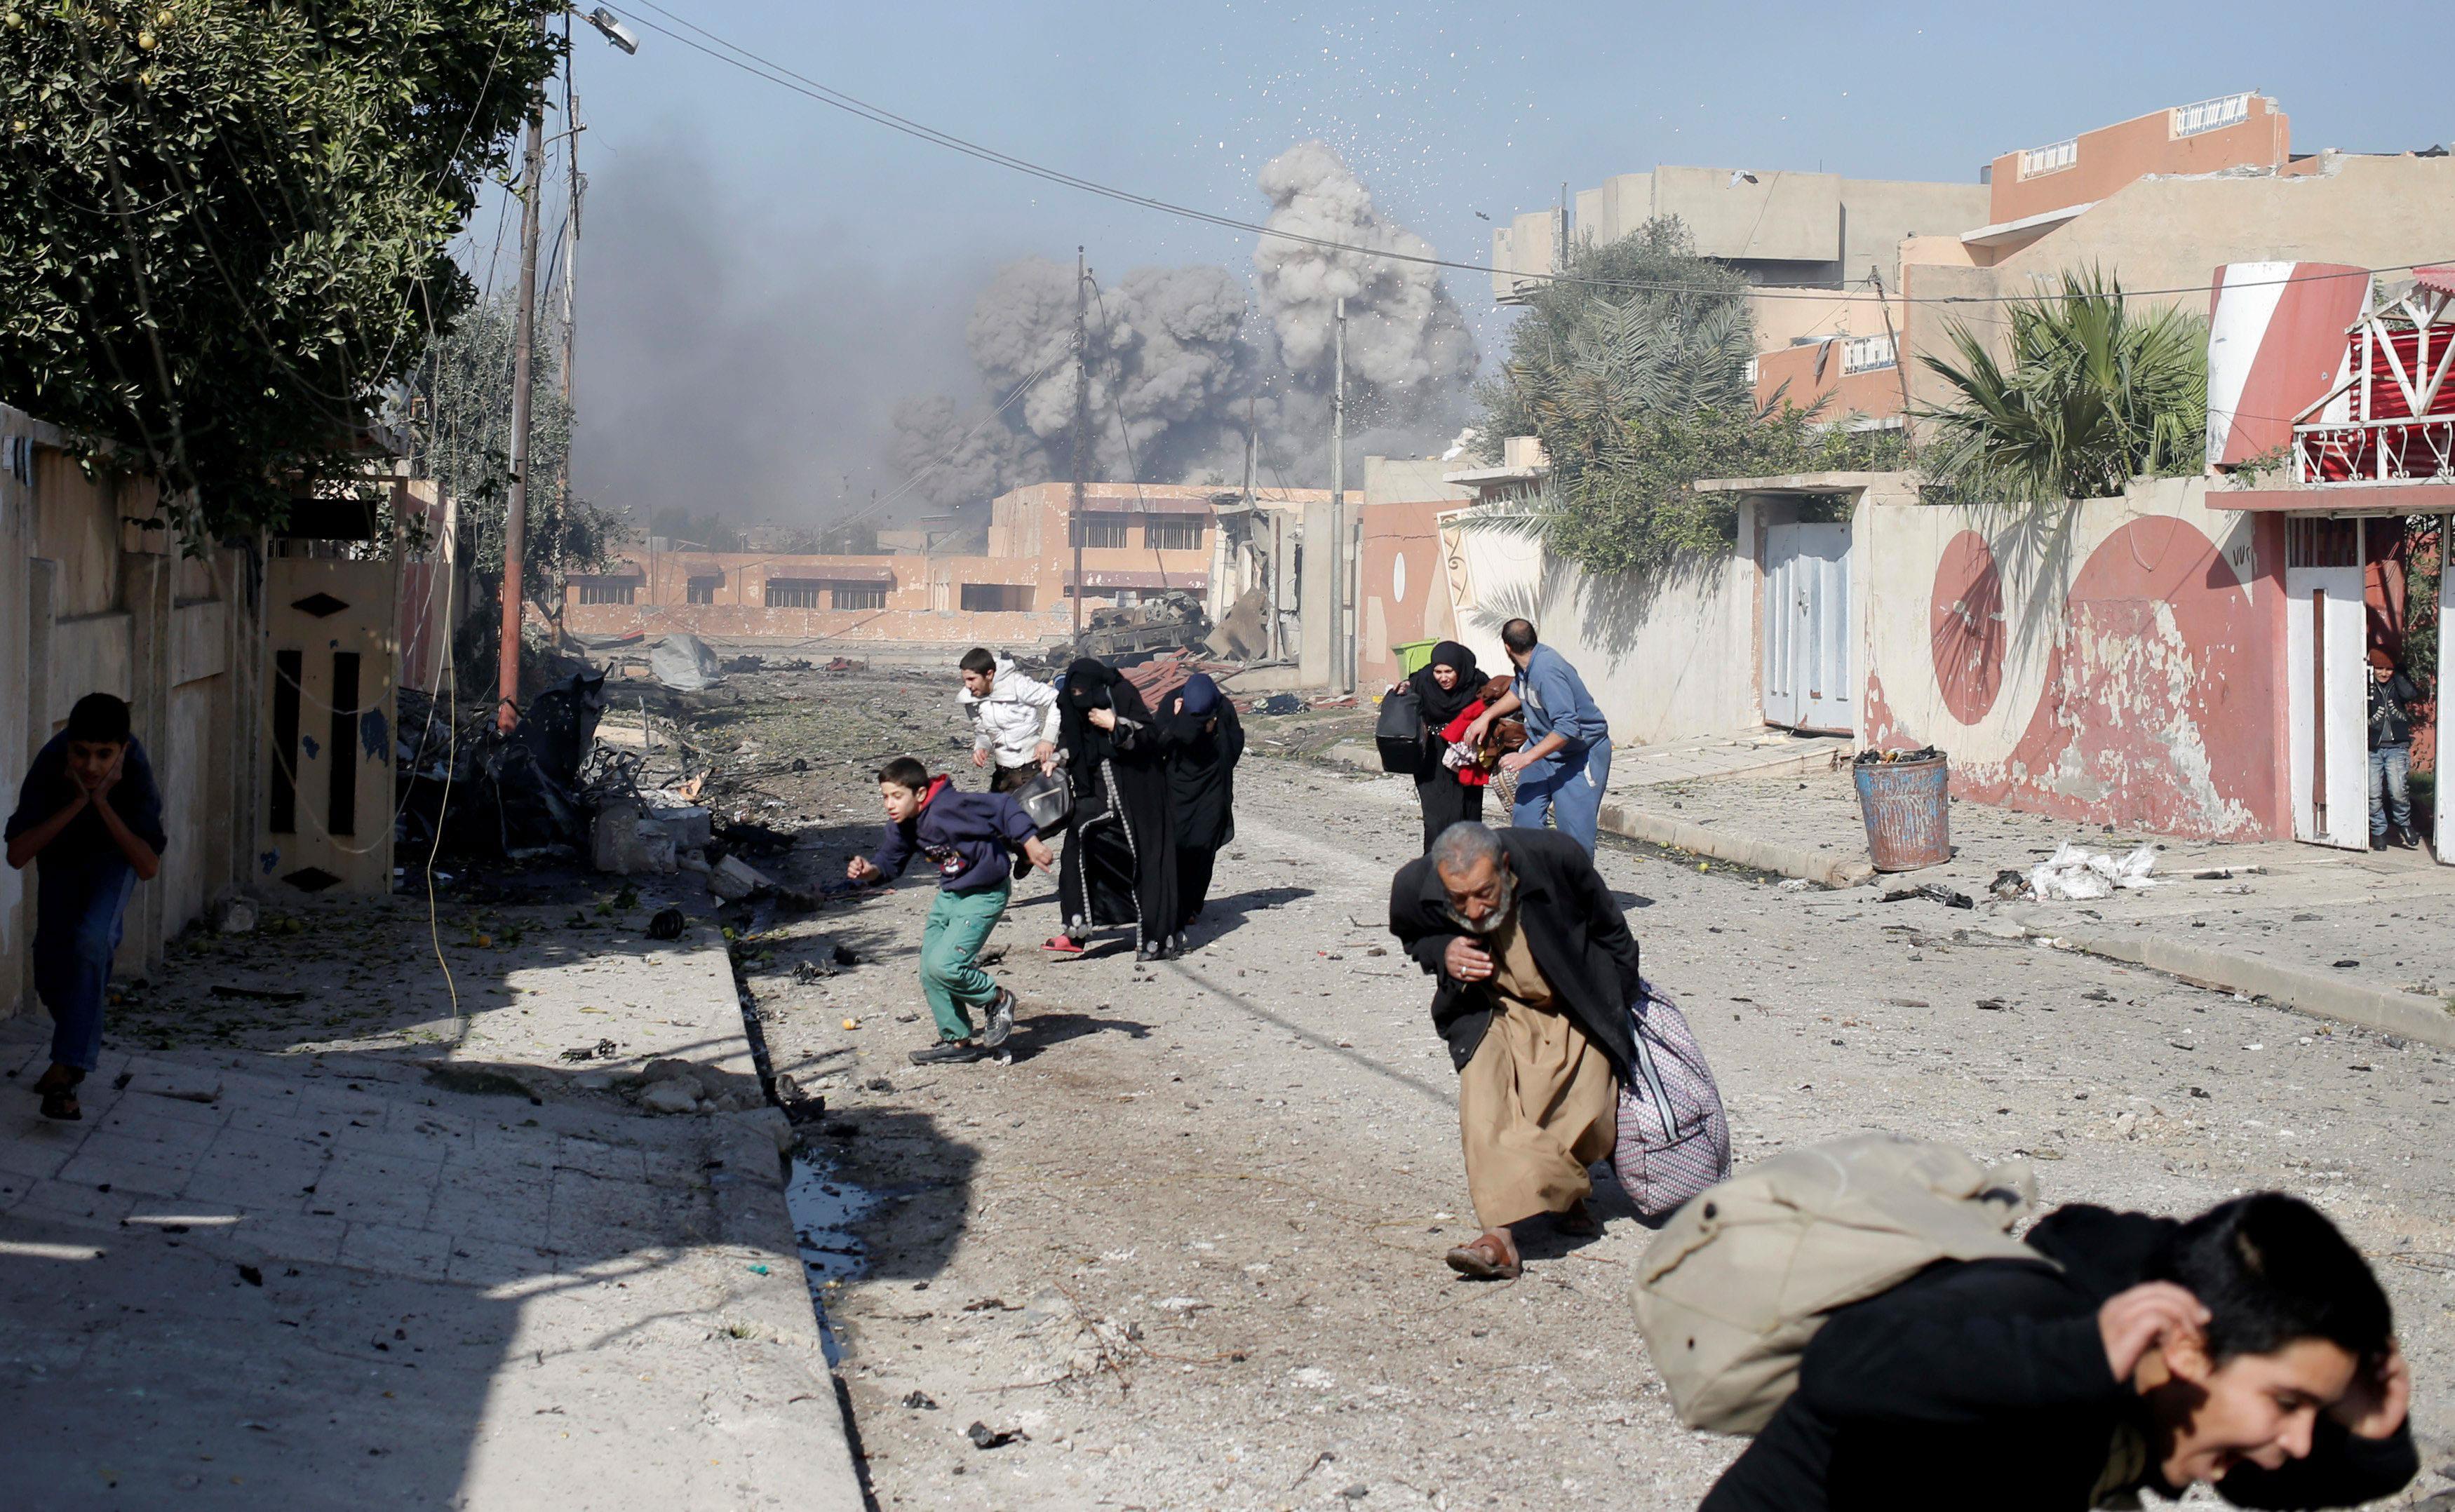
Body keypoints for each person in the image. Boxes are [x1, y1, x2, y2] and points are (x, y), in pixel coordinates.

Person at [1702, 1191, 2416, 1512]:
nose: (2294, 1439)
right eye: (2286, 1402)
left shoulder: (2179, 1391)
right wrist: (2077, 1354)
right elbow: (1844, 1362)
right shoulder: (2031, 1315)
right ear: (2189, 1351)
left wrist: (2372, 1426)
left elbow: (2280, 1482)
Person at [1387, 822, 1636, 1280]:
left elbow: (1614, 935)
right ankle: (1498, 1239)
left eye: (1484, 893)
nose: (1475, 909)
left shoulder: (1557, 858)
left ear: (1504, 867)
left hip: (1572, 1004)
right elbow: (1412, 936)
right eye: (1459, 900)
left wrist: (1614, 1009)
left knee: (1586, 1111)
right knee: (1485, 1107)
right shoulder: (1415, 884)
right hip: (1490, 1008)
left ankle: (1566, 1194)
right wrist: (1445, 951)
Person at [6, 692, 166, 1121]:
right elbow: (17, 854)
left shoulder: (136, 771)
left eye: (103, 755)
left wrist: (103, 804)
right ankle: (71, 1052)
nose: (91, 766)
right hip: (61, 860)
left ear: (123, 750)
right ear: (69, 744)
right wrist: (79, 802)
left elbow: (147, 865)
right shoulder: (51, 763)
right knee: (51, 970)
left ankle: (65, 1074)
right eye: (81, 753)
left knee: (93, 941)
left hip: (116, 861)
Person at [846, 755, 1053, 1066]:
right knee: (930, 969)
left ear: (919, 794)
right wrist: (869, 872)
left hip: (984, 894)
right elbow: (889, 862)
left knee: (946, 966)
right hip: (950, 896)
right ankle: (957, 1041)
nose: (890, 804)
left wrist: (1030, 842)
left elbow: (1003, 807)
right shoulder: (902, 825)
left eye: (896, 796)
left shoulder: (951, 807)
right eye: (885, 797)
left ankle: (997, 999)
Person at [1047, 658, 1178, 962]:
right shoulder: (1073, 704)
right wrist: (1058, 758)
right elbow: (1075, 741)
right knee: (1077, 848)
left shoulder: (1120, 694)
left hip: (1138, 795)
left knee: (1148, 862)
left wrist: (1115, 725)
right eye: (1074, 691)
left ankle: (1157, 939)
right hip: (1095, 796)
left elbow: (1150, 737)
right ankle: (1076, 931)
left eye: (1084, 690)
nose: (1079, 697)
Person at [1465, 619, 1613, 853]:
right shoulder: (1525, 667)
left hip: (1579, 754)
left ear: (1507, 647)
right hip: (1543, 750)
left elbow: (1566, 728)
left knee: (1574, 837)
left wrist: (1526, 758)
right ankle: (1535, 880)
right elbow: (1518, 692)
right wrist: (1486, 716)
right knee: (1525, 821)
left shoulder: (1547, 670)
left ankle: (1574, 888)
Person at [1159, 673, 1244, 950]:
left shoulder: (1224, 709)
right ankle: (1172, 905)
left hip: (1210, 790)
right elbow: (1156, 743)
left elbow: (1235, 745)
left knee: (1203, 848)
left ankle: (1192, 905)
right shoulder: (1172, 703)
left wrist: (1214, 736)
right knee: (1177, 846)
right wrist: (1174, 722)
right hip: (1177, 790)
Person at [1394, 641, 1491, 853]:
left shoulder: (1477, 682)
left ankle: (1470, 869)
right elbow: (1408, 691)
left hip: (1466, 754)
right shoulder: (1423, 681)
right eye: (1438, 671)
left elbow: (1494, 703)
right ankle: (1435, 866)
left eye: (1449, 671)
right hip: (1433, 754)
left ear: (1460, 669)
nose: (1443, 677)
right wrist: (1402, 689)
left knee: (1467, 813)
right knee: (1435, 817)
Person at [957, 646, 1060, 797]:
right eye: (965, 680)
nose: (968, 685)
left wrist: (1048, 739)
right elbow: (982, 731)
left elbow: (1056, 699)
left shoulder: (1017, 685)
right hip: (1003, 775)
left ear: (989, 674)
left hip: (1032, 770)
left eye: (972, 679)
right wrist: (981, 747)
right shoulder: (971, 700)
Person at [2366, 648, 2421, 851]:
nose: (2383, 673)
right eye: (2379, 668)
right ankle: (2379, 831)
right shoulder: (2368, 686)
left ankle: (2404, 824)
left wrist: (2398, 671)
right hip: (2373, 748)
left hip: (2396, 747)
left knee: (2398, 790)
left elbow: (2410, 693)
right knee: (2373, 793)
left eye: (2388, 669)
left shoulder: (2397, 685)